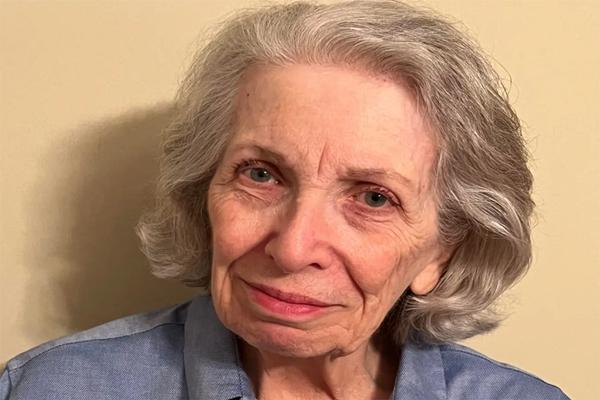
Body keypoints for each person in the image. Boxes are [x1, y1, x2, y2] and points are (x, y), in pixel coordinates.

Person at [1, 1, 570, 399]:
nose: (294, 248)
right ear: (204, 188)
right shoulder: (52, 389)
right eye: (261, 175)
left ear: (440, 253)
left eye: (374, 198)